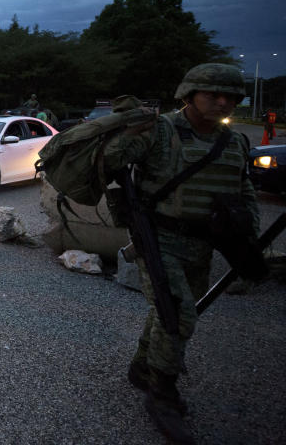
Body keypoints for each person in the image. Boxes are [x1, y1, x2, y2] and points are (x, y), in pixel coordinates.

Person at [102, 63, 259, 443]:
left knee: (169, 311)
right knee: (178, 315)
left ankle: (143, 367)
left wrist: (249, 239)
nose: (222, 102)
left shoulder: (234, 142)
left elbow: (244, 191)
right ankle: (163, 394)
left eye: (230, 96)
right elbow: (111, 160)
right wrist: (128, 132)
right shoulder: (160, 131)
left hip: (204, 243)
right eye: (212, 94)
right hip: (159, 239)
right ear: (188, 95)